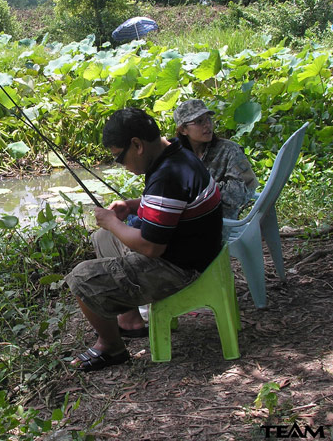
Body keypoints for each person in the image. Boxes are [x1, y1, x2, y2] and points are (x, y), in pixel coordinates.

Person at [65, 107, 223, 372]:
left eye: (118, 158)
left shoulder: (167, 175)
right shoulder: (176, 152)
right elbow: (173, 203)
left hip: (181, 268)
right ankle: (130, 320)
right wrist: (133, 205)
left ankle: (111, 348)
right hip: (192, 248)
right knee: (104, 236)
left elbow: (151, 247)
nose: (121, 166)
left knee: (81, 278)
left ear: (137, 145)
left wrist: (114, 220)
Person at [174, 99, 258, 221]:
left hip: (217, 222)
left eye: (208, 119)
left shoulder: (229, 150)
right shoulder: (177, 156)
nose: (207, 125)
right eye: (199, 121)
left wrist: (201, 187)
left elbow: (244, 192)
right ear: (183, 130)